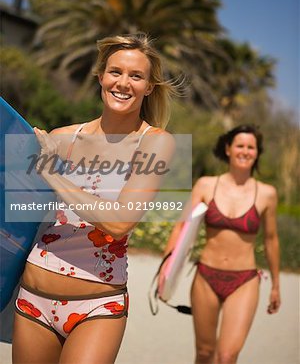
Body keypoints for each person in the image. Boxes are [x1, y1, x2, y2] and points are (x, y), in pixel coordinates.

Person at [12, 33, 176, 364]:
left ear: (149, 87)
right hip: (32, 302)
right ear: (100, 76)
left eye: (136, 76)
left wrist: (54, 175)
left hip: (97, 308)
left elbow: (119, 221)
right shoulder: (61, 138)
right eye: (115, 71)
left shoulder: (155, 142)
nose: (123, 82)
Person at [160, 125, 280, 364]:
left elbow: (271, 239)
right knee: (204, 353)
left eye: (250, 147)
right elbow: (181, 227)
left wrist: (276, 285)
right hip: (205, 277)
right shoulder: (206, 185)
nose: (245, 151)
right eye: (240, 145)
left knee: (227, 356)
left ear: (257, 153)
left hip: (244, 281)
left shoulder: (267, 193)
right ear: (228, 149)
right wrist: (165, 268)